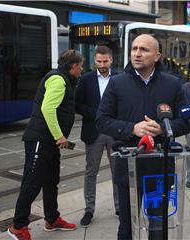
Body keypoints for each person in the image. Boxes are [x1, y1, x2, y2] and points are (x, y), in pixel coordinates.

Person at [96, 34, 189, 240]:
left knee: (158, 227)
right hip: (128, 169)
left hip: (159, 169)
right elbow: (101, 120)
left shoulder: (173, 84)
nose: (137, 53)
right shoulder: (117, 83)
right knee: (126, 228)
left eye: (144, 49)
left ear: (157, 56)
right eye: (134, 48)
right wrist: (132, 129)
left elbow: (185, 122)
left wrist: (163, 129)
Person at [7, 50, 83, 240]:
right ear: (73, 66)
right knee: (32, 183)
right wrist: (60, 137)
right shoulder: (58, 79)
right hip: (41, 139)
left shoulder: (65, 79)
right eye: (80, 65)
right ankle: (18, 226)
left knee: (51, 181)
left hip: (50, 142)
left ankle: (52, 219)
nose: (81, 69)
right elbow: (48, 108)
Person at [75, 46, 120, 227]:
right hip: (93, 132)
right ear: (94, 61)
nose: (102, 65)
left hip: (114, 132)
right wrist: (97, 113)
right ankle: (89, 210)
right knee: (90, 172)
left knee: (118, 172)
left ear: (111, 60)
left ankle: (119, 207)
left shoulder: (119, 78)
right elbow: (77, 104)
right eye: (99, 61)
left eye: (105, 61)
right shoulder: (85, 80)